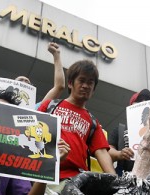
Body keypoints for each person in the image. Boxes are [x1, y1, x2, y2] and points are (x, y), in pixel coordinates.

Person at [37, 59, 116, 194]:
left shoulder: (93, 122)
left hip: (76, 182)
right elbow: (30, 131)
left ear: (94, 89)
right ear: (70, 83)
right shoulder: (50, 105)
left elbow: (102, 152)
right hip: (43, 176)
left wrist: (116, 183)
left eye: (90, 82)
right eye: (82, 80)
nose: (86, 85)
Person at [108, 89, 150, 181]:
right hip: (129, 183)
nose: (144, 103)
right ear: (131, 107)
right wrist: (120, 154)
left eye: (147, 101)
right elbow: (108, 150)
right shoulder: (120, 130)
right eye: (139, 101)